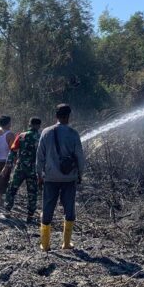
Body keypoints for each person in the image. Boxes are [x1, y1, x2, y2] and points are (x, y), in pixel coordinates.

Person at [36, 103, 86, 251]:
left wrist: (39, 174)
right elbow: (80, 157)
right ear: (68, 116)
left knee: (47, 208)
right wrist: (80, 174)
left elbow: (40, 156)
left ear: (56, 116)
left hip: (50, 178)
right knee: (69, 210)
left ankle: (45, 245)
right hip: (69, 179)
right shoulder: (73, 133)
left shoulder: (46, 132)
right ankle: (66, 243)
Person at [2, 117, 42, 223]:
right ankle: (30, 216)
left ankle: (7, 211)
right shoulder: (41, 137)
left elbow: (13, 151)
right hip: (33, 169)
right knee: (32, 193)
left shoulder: (21, 135)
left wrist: (7, 166)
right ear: (38, 126)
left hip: (20, 168)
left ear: (30, 124)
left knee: (12, 189)